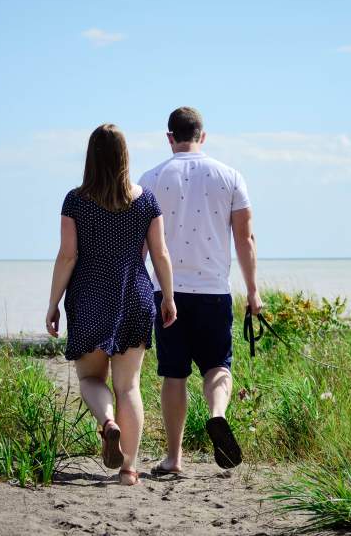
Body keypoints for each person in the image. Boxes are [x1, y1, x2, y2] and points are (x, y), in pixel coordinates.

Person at [45, 123, 177, 486]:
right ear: (125, 156)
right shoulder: (146, 200)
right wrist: (167, 296)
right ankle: (129, 470)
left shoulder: (75, 200)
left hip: (88, 296)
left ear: (91, 158)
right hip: (134, 294)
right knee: (129, 386)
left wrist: (53, 303)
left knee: (90, 377)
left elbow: (67, 256)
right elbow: (161, 254)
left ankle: (107, 424)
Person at [139, 107, 262, 473]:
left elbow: (140, 246)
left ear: (169, 137)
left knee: (173, 375)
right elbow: (245, 238)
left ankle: (174, 459)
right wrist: (253, 291)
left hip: (169, 293)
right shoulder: (230, 176)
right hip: (214, 291)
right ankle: (218, 413)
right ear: (203, 136)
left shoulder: (151, 178)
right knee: (217, 366)